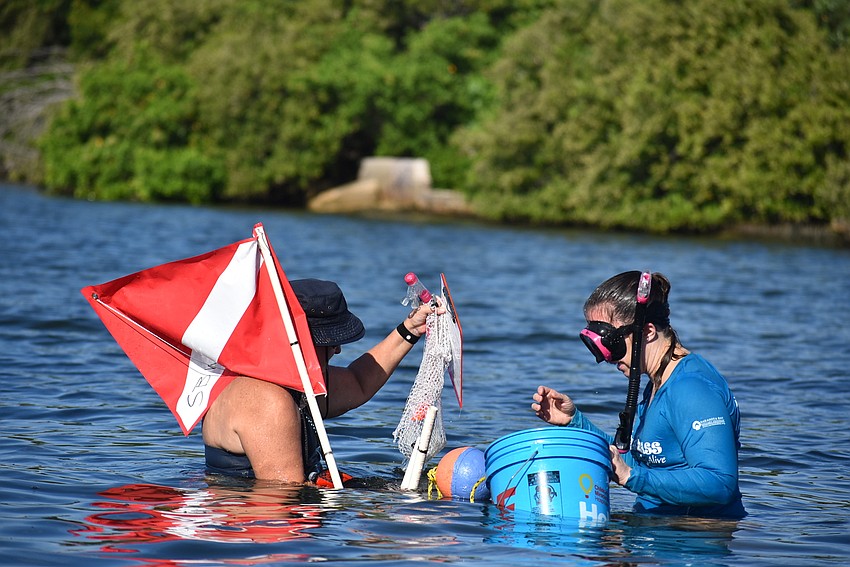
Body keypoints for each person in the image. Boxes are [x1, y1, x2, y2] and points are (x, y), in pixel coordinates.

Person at [531, 271, 745, 518]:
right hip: (658, 533)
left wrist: (632, 477)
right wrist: (575, 423)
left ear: (649, 331)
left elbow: (720, 483)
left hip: (693, 538)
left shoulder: (692, 390)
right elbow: (641, 465)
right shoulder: (657, 382)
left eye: (610, 341)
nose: (604, 357)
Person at [203, 278, 439, 484]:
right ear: (299, 341)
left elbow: (358, 383)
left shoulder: (287, 382)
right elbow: (282, 497)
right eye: (329, 341)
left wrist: (410, 330)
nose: (336, 350)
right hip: (263, 525)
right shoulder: (265, 399)